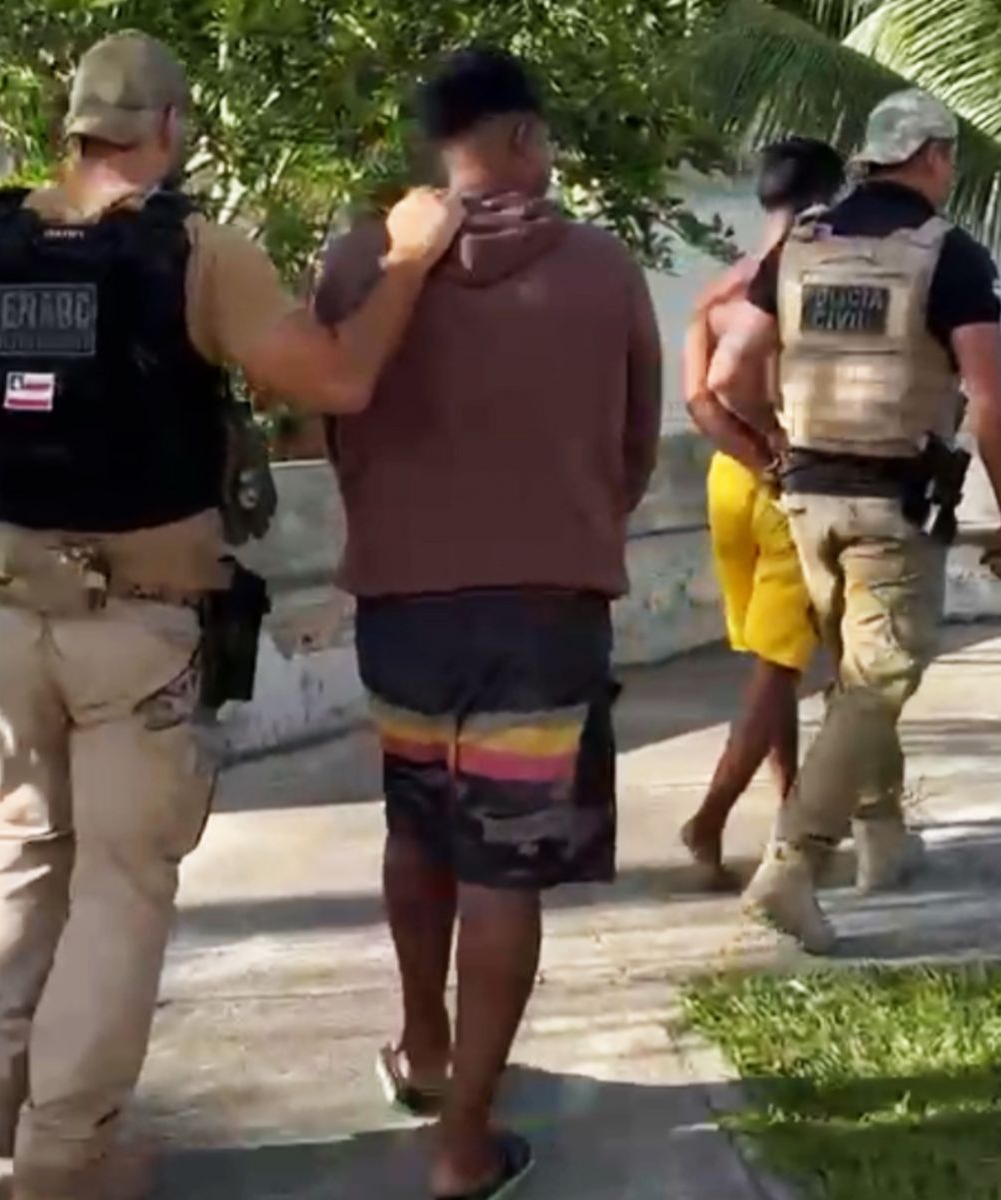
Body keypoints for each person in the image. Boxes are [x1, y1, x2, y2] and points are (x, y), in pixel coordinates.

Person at [0, 31, 463, 1199]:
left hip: (1, 613)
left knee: (23, 840)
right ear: (171, 128)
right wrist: (409, 258)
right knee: (121, 885)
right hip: (135, 627)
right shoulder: (196, 253)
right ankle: (67, 1153)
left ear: (72, 129)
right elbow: (338, 379)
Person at [314, 47, 661, 1200]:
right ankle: (464, 1143)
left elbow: (335, 426)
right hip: (546, 612)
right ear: (520, 136)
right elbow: (633, 446)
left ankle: (423, 1045)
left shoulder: (359, 260)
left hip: (403, 607)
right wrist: (564, 527)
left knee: (418, 829)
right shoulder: (603, 269)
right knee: (503, 869)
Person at [709, 90, 1001, 953]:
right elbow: (992, 405)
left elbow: (729, 374)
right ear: (932, 157)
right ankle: (793, 863)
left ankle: (881, 836)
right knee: (878, 679)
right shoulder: (948, 254)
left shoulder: (800, 247)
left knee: (856, 675)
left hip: (806, 498)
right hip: (892, 503)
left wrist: (776, 440)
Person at [678, 137, 845, 887]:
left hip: (727, 479)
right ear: (827, 199)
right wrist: (775, 458)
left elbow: (699, 398)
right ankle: (708, 818)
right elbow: (732, 376)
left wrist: (745, 454)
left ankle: (787, 807)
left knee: (768, 661)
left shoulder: (716, 292)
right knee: (779, 667)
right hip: (786, 481)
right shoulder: (805, 283)